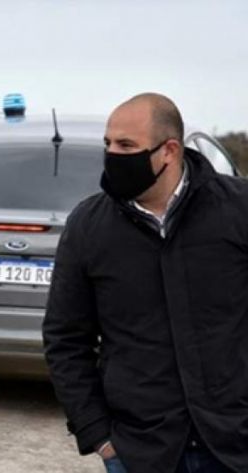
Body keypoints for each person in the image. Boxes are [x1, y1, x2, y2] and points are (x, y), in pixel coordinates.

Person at [43, 93, 248, 473]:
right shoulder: (89, 226)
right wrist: (97, 434)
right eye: (107, 144)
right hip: (140, 452)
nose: (112, 155)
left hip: (234, 448)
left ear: (169, 151)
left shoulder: (238, 211)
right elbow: (65, 338)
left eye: (126, 146)